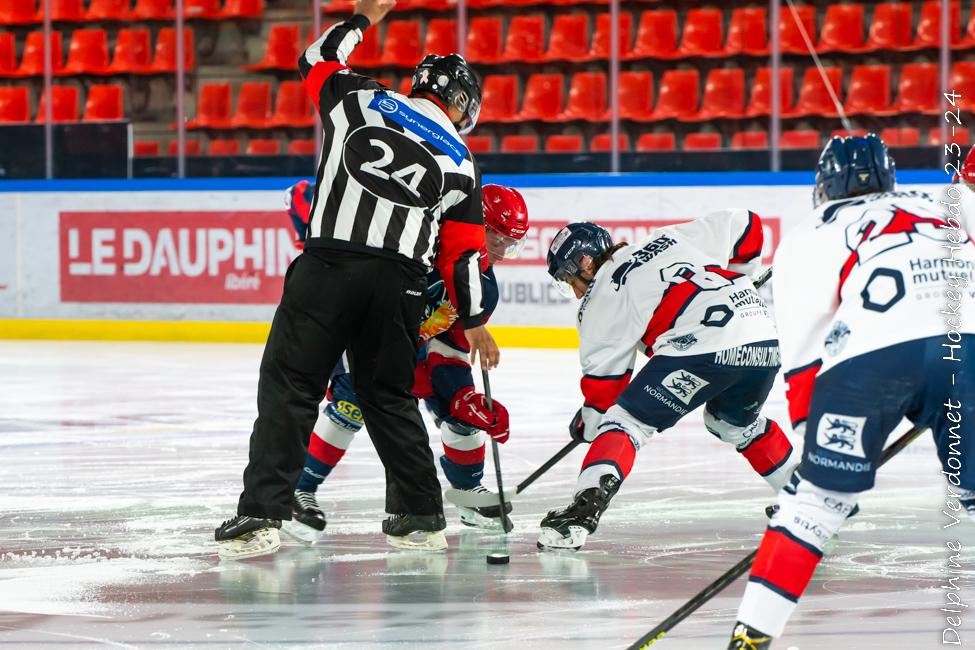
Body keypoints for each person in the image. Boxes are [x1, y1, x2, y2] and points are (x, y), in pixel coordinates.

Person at [215, 0, 497, 559]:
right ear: (461, 102)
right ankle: (419, 517)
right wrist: (475, 323)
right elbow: (463, 256)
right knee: (390, 397)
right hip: (399, 284)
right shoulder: (463, 159)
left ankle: (260, 516)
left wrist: (367, 15)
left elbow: (315, 56)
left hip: (327, 268)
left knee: (292, 386)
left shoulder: (359, 98)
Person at [727, 135, 975, 649]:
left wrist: (811, 446)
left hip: (874, 359)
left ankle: (750, 640)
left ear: (822, 185)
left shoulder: (809, 233)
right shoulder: (939, 204)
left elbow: (803, 344)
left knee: (815, 505)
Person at [281, 181, 530, 538]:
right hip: (363, 330)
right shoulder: (419, 246)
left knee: (460, 411)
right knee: (353, 400)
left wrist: (464, 399)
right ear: (478, 227)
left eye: (512, 243)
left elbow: (451, 348)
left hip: (411, 347)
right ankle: (299, 488)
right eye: (498, 239)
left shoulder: (484, 290)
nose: (504, 253)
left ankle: (468, 491)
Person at [537, 212, 796, 551]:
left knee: (624, 422)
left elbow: (605, 395)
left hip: (704, 345)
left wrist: (589, 425)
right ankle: (807, 501)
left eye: (571, 279)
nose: (574, 292)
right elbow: (747, 225)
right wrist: (742, 279)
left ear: (585, 262)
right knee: (731, 424)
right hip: (762, 338)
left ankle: (577, 518)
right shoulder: (666, 237)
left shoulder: (598, 297)